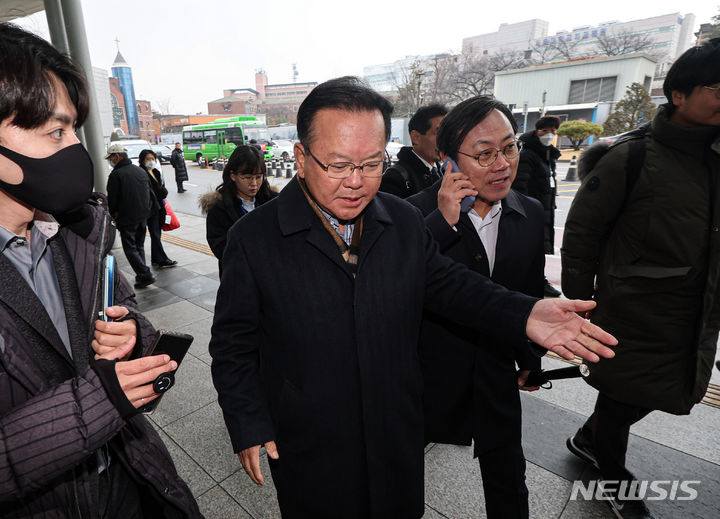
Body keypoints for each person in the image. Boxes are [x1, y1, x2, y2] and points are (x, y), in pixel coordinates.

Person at [209, 76, 616, 518]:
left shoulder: (400, 220)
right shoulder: (253, 238)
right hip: (310, 430)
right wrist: (248, 422)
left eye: (370, 164)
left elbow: (452, 285)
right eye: (339, 165)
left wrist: (526, 312)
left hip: (393, 425)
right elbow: (233, 345)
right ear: (302, 158)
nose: (356, 182)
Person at [0, 22, 201, 517]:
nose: (74, 148)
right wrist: (100, 400)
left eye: (72, 128)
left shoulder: (79, 235)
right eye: (56, 131)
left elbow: (127, 313)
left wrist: (132, 336)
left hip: (129, 484)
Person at [561, 38, 720, 519]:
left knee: (672, 384)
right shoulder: (630, 157)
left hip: (696, 305)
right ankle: (608, 468)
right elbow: (584, 228)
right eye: (716, 88)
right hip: (632, 307)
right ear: (678, 94)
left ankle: (591, 438)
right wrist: (579, 298)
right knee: (624, 390)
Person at [406, 95, 545, 519]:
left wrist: (529, 356)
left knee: (508, 479)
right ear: (447, 160)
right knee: (401, 477)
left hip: (494, 368)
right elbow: (396, 288)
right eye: (485, 154)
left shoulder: (530, 213)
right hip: (424, 374)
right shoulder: (411, 216)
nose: (502, 163)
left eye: (509, 147)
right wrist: (441, 224)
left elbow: (526, 291)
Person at [199, 145, 277, 275]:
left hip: (271, 276)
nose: (254, 183)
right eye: (247, 177)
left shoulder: (273, 201)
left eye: (258, 177)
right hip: (239, 278)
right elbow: (221, 248)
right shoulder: (220, 207)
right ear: (233, 175)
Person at [512, 115, 562, 297]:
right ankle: (536, 281)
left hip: (544, 207)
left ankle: (538, 279)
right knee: (532, 248)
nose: (549, 135)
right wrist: (527, 209)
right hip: (533, 209)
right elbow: (520, 186)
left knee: (538, 247)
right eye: (545, 131)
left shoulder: (548, 155)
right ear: (536, 131)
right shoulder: (528, 155)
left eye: (553, 131)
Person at [106, 143, 157, 288]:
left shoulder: (116, 175)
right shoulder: (139, 171)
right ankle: (141, 275)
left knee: (129, 248)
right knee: (139, 245)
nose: (110, 160)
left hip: (127, 218)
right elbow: (149, 194)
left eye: (111, 157)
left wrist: (114, 215)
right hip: (143, 216)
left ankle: (145, 274)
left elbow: (113, 200)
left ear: (117, 156)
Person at [379, 103, 446, 198]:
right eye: (439, 133)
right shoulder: (395, 178)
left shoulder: (443, 173)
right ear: (416, 137)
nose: (445, 140)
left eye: (447, 134)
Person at [139, 148, 177, 269]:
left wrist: (162, 191)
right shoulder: (141, 172)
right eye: (148, 159)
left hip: (158, 207)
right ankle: (162, 259)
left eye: (153, 159)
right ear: (142, 160)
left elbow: (160, 187)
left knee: (157, 233)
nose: (151, 161)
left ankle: (156, 258)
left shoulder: (155, 171)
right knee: (155, 233)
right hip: (149, 208)